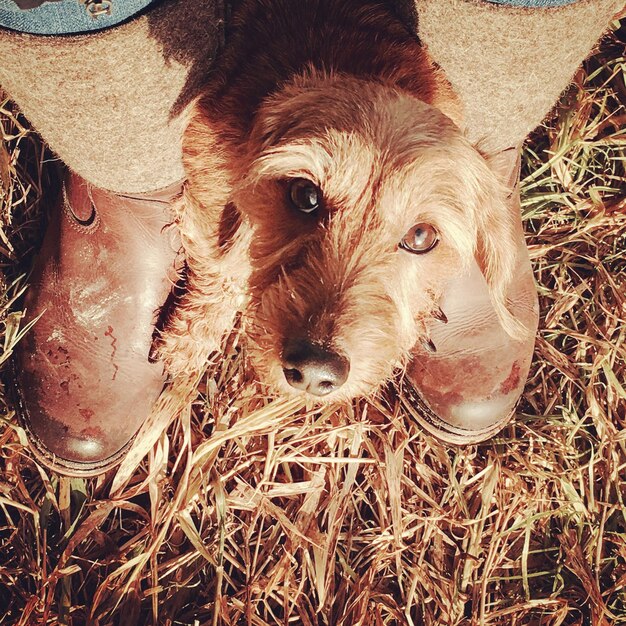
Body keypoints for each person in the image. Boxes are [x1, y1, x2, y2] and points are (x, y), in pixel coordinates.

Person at [0, 0, 622, 475]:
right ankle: (127, 171)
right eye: (306, 198)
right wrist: (211, 301)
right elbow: (231, 211)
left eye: (422, 235)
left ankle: (483, 152)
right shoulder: (224, 149)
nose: (324, 337)